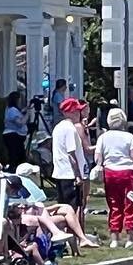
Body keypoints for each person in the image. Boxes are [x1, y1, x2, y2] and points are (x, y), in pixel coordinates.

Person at [95, 108, 133, 248]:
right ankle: (130, 239)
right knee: (131, 204)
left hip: (110, 173)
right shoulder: (128, 137)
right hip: (128, 173)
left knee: (114, 205)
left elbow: (98, 158)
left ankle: (114, 239)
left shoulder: (103, 137)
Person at [52, 96, 93, 226]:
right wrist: (78, 176)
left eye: (78, 111)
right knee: (73, 208)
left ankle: (65, 233)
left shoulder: (58, 127)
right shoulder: (70, 128)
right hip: (70, 174)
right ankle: (76, 235)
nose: (78, 114)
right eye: (75, 111)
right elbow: (71, 154)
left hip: (60, 172)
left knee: (63, 207)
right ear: (67, 113)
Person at [2, 91, 31, 168]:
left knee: (17, 156)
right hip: (13, 136)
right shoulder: (12, 110)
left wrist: (24, 110)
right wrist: (28, 113)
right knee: (16, 157)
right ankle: (13, 170)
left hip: (15, 135)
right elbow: (20, 123)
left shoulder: (12, 110)